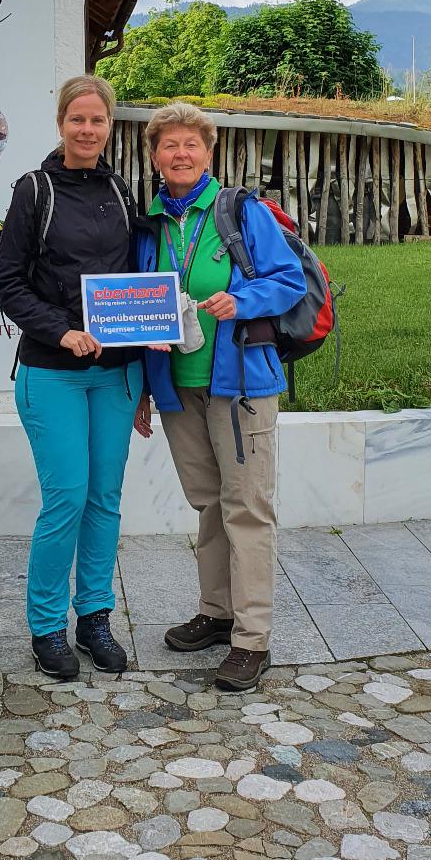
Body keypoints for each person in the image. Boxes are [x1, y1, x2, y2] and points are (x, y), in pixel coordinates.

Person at [134, 102, 305, 692]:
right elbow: (135, 307)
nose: (180, 154)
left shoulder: (242, 211)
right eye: (168, 145)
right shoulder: (151, 224)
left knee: (247, 508)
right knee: (209, 503)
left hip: (240, 388)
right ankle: (215, 611)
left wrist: (243, 301)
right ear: (154, 156)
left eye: (191, 144)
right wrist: (142, 392)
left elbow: (288, 281)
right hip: (178, 388)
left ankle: (251, 638)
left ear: (209, 153)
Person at [0, 74, 141, 681]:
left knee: (105, 501)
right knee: (67, 498)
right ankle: (47, 627)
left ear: (110, 126)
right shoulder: (34, 190)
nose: (87, 130)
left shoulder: (121, 189)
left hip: (116, 374)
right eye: (77, 119)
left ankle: (95, 618)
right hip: (52, 371)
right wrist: (61, 330)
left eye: (98, 120)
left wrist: (147, 374)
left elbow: (138, 283)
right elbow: (8, 284)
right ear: (60, 124)